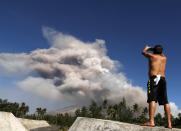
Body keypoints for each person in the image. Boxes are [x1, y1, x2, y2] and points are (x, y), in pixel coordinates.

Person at [142, 45, 172, 129]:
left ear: (154, 51)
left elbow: (143, 52)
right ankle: (169, 124)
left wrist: (148, 48)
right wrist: (156, 50)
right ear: (161, 51)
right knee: (166, 101)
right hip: (162, 79)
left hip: (153, 79)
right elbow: (161, 53)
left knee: (152, 99)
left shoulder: (151, 56)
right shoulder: (164, 58)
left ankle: (151, 121)